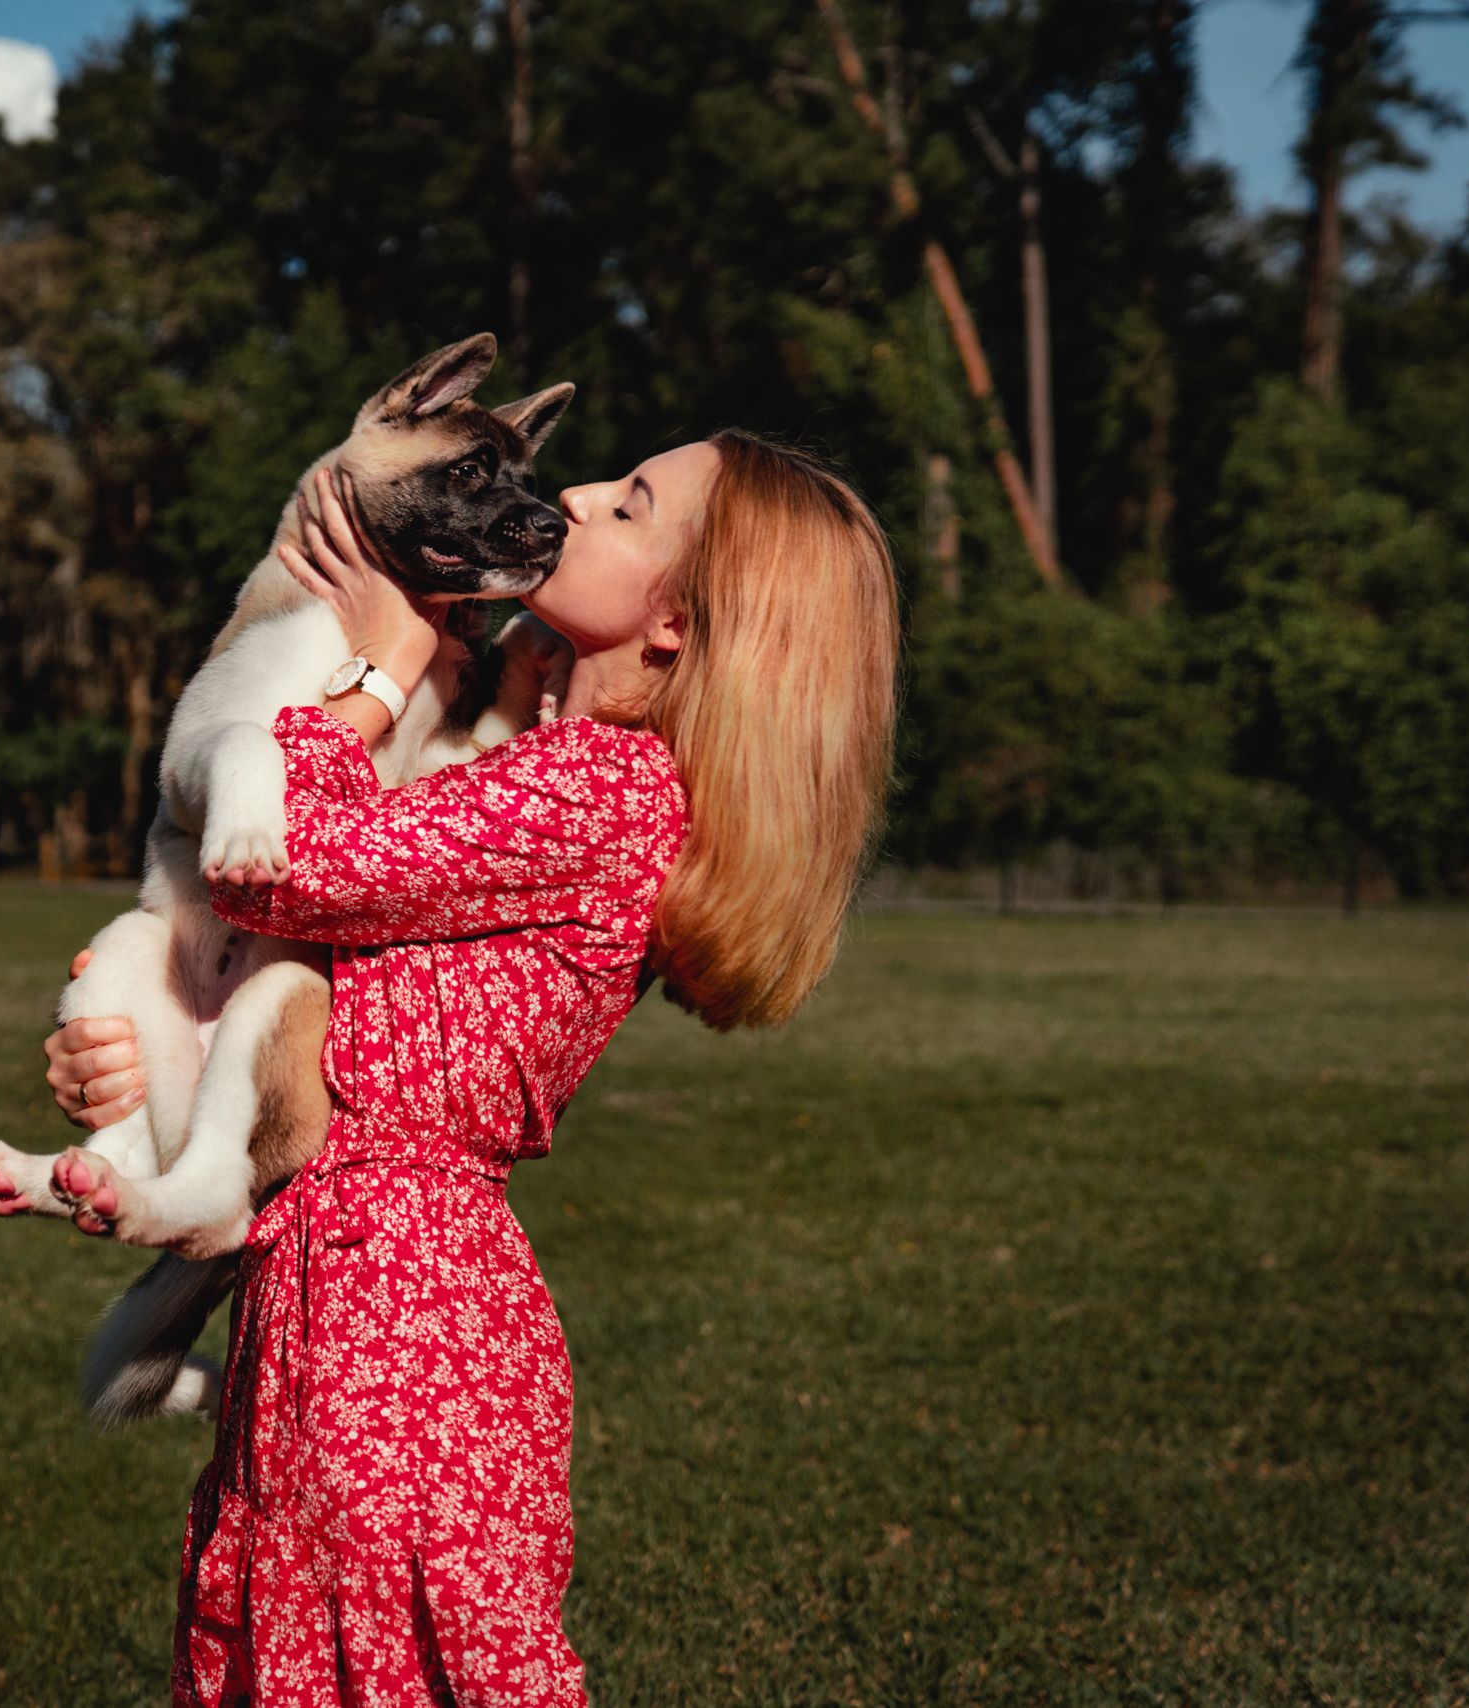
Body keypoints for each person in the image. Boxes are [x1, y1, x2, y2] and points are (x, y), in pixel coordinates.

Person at [43, 431, 898, 1706]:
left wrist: (380, 658)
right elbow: (285, 956)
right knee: (302, 1650)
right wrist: (150, 1046)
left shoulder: (602, 787)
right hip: (342, 1281)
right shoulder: (527, 757)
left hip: (402, 1322)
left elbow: (285, 855)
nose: (575, 496)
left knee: (384, 1656)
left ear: (671, 625)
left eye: (629, 503)